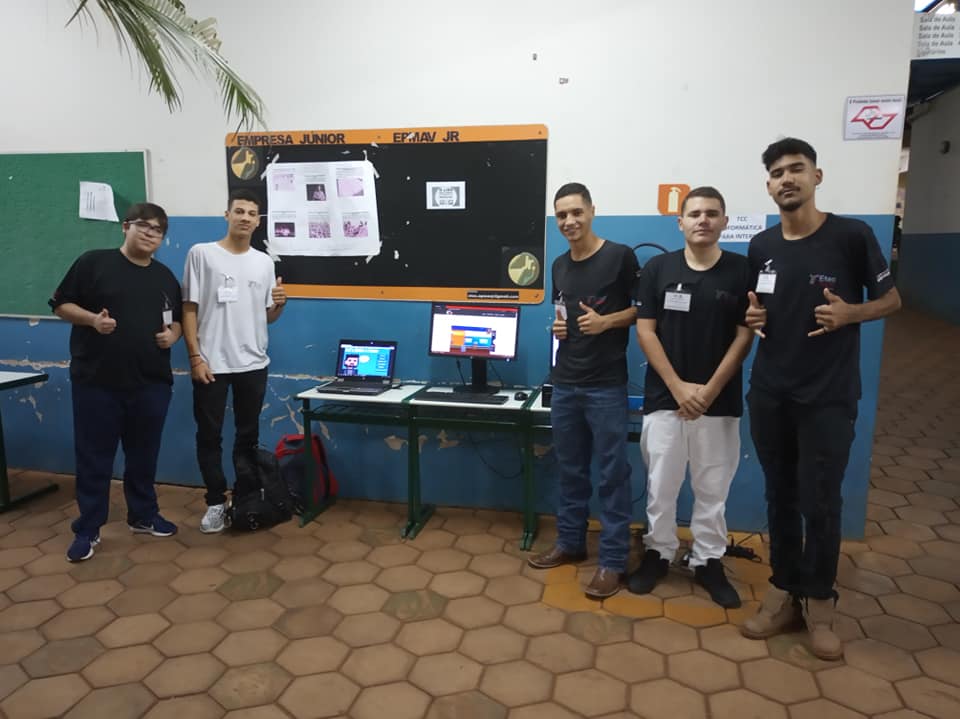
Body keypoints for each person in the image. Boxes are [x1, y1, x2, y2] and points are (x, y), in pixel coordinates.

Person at [741, 138, 901, 659]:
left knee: (822, 501)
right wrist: (755, 316)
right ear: (768, 186)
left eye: (796, 169)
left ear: (817, 176)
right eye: (777, 173)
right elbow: (761, 307)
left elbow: (891, 299)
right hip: (770, 393)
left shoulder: (851, 236)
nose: (786, 179)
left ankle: (819, 600)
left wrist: (852, 313)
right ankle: (783, 589)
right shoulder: (762, 245)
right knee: (780, 495)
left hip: (828, 396)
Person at [630, 187, 754, 607]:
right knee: (660, 485)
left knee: (712, 488)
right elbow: (646, 331)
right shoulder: (657, 269)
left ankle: (708, 560)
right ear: (679, 222)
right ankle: (658, 552)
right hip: (665, 398)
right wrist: (678, 387)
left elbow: (745, 334)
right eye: (695, 213)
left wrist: (710, 390)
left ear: (724, 222)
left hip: (719, 401)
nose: (703, 220)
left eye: (712, 213)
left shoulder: (741, 270)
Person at [50, 203, 182, 561]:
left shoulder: (165, 277)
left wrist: (173, 335)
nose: (150, 233)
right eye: (144, 226)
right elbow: (61, 305)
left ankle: (143, 515)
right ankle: (88, 528)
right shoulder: (94, 263)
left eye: (158, 230)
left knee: (143, 456)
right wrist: (93, 320)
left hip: (151, 383)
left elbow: (175, 320)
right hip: (98, 383)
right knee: (94, 458)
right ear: (126, 226)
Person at [527, 182, 640, 600]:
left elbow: (644, 311)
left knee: (612, 475)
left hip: (606, 385)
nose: (569, 221)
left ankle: (612, 561)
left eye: (576, 212)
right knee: (570, 470)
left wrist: (607, 322)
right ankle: (571, 543)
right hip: (565, 382)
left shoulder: (620, 257)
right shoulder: (559, 265)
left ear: (592, 211)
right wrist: (560, 328)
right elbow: (563, 312)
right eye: (561, 215)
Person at [182, 188, 287, 533]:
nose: (245, 218)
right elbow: (189, 308)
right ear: (227, 215)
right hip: (211, 364)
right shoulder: (202, 254)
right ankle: (215, 502)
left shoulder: (264, 262)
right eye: (239, 211)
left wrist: (280, 305)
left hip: (253, 363)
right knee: (209, 436)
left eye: (252, 214)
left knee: (247, 436)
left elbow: (265, 316)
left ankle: (246, 500)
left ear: (258, 222)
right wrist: (195, 357)